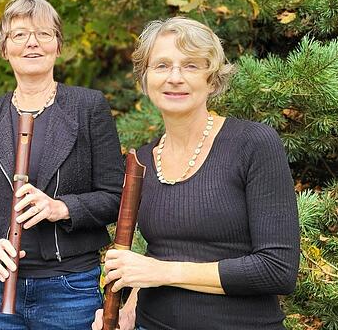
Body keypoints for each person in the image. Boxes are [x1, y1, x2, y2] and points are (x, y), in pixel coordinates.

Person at [92, 17, 300, 330]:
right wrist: (129, 310)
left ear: (212, 80)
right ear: (145, 79)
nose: (174, 77)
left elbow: (276, 270)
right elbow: (159, 252)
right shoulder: (144, 159)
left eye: (190, 66)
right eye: (161, 65)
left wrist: (163, 272)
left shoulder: (253, 143)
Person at [0, 0, 124, 330]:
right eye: (19, 35)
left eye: (44, 34)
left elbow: (114, 197)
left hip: (69, 289)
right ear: (5, 48)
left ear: (58, 46)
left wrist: (60, 208)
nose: (32, 43)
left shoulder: (88, 107)